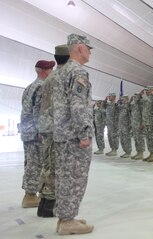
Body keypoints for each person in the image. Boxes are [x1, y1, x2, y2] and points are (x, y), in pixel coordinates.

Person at [52, 33, 94, 235]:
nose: (90, 51)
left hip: (62, 135)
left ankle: (65, 218)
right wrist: (84, 134)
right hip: (74, 136)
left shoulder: (60, 72)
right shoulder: (78, 72)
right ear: (79, 48)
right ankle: (68, 222)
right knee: (75, 178)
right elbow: (78, 106)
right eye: (88, 47)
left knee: (64, 177)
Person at [38, 45, 69, 217]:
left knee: (48, 165)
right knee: (54, 167)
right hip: (56, 129)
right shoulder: (61, 77)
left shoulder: (50, 77)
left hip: (47, 127)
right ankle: (49, 205)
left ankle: (44, 203)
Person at [21, 59, 55, 208]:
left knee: (30, 162)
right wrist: (41, 130)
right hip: (36, 133)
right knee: (36, 164)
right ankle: (29, 196)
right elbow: (39, 112)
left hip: (27, 131)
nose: (52, 73)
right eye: (50, 70)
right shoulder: (42, 87)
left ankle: (30, 194)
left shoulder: (29, 87)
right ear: (43, 72)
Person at [141, 86, 153, 162]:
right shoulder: (146, 98)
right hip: (146, 122)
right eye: (145, 90)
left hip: (151, 122)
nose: (146, 92)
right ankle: (151, 154)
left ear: (152, 90)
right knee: (148, 139)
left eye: (147, 90)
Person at [130, 93, 144, 160]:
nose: (134, 98)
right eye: (134, 97)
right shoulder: (134, 105)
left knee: (140, 139)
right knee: (136, 139)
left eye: (135, 96)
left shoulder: (141, 104)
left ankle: (141, 153)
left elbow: (143, 114)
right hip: (134, 124)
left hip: (139, 124)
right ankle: (138, 152)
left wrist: (142, 123)